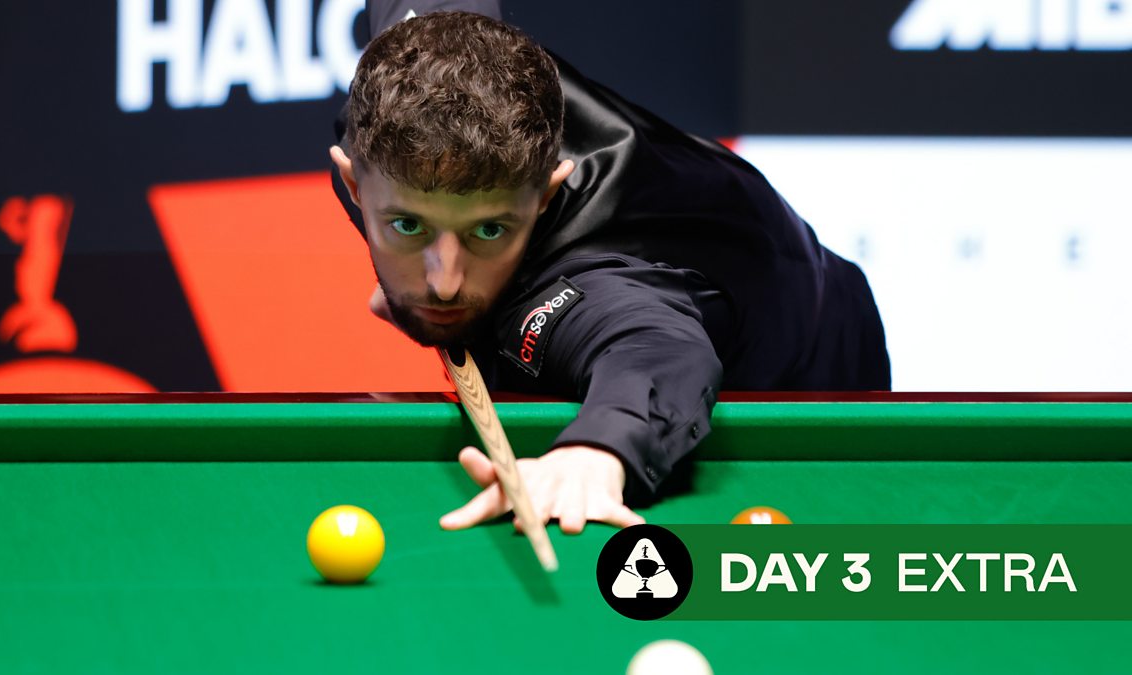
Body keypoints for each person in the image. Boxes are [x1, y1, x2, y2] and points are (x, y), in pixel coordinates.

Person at [329, 2, 890, 534]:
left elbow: (653, 347)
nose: (444, 281)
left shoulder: (580, 282)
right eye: (409, 225)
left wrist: (597, 448)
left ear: (544, 197)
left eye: (489, 230)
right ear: (355, 182)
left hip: (807, 365)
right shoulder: (403, 78)